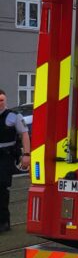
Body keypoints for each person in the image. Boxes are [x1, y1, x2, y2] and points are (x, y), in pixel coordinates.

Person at [0, 90, 31, 233]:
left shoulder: (14, 116)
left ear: (6, 100)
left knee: (1, 188)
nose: (0, 103)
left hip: (5, 156)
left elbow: (24, 135)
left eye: (1, 100)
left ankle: (3, 222)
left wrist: (26, 155)